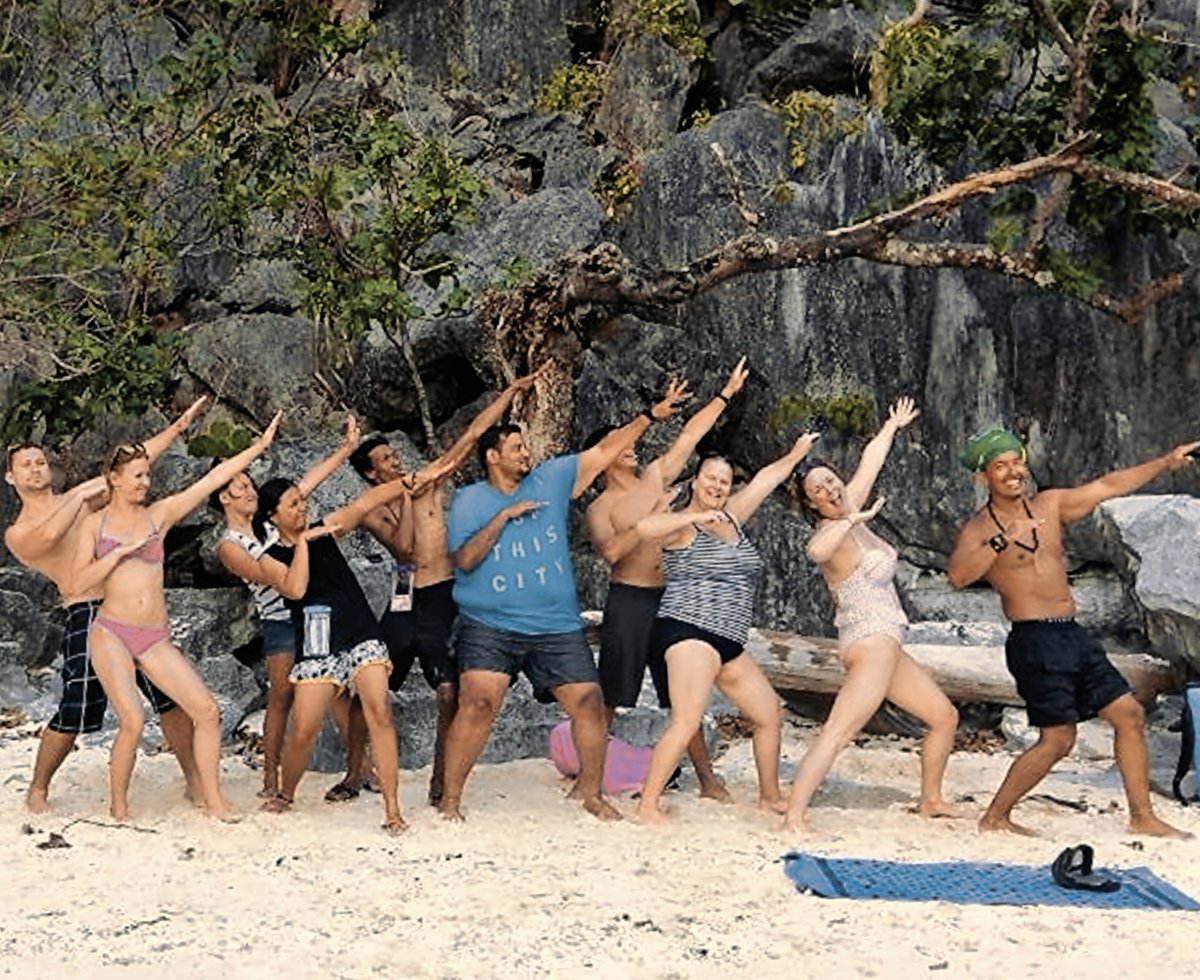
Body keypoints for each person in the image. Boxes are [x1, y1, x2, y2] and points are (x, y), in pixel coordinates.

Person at [439, 381, 689, 822]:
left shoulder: (551, 478)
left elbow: (607, 449)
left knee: (590, 701)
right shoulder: (471, 499)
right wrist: (502, 518)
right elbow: (465, 559)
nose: (524, 453)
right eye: (516, 447)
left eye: (525, 447)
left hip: (556, 624)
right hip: (489, 624)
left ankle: (591, 793)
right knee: (479, 701)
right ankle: (451, 800)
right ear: (492, 456)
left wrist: (651, 416)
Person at [947, 427, 1198, 838]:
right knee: (1058, 740)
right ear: (983, 477)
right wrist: (998, 543)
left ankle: (1142, 817)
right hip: (1034, 641)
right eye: (1000, 466)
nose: (1013, 471)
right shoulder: (979, 528)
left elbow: (1107, 486)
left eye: (1017, 461)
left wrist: (1165, 462)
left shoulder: (1050, 505)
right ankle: (995, 817)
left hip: (1072, 635)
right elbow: (958, 575)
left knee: (1129, 714)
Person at [70, 412, 283, 821]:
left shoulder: (159, 515)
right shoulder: (94, 525)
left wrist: (258, 448)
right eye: (136, 475)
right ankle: (118, 806)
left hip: (154, 636)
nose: (144, 482)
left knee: (206, 711)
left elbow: (209, 481)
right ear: (113, 478)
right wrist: (116, 554)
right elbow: (77, 584)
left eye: (147, 475)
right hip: (111, 631)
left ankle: (212, 801)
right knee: (132, 720)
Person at [5, 397, 207, 813]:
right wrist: (80, 498)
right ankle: (39, 786)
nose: (36, 469)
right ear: (10, 478)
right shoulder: (19, 531)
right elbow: (47, 538)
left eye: (40, 462)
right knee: (77, 705)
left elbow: (131, 466)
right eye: (26, 465)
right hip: (85, 610)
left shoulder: (81, 497)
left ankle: (195, 779)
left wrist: (178, 427)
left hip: (131, 607)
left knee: (166, 697)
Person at [347, 372, 537, 804]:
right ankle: (356, 771)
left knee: (449, 692)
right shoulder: (371, 508)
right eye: (386, 460)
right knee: (370, 685)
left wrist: (509, 394)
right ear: (370, 474)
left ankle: (441, 780)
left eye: (396, 455)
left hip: (439, 595)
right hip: (402, 601)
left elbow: (469, 438)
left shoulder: (426, 480)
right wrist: (407, 500)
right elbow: (405, 550)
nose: (396, 463)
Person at [783, 397, 962, 832]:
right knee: (840, 731)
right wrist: (850, 520)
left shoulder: (851, 509)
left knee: (943, 716)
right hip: (868, 644)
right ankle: (793, 817)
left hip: (888, 642)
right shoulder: (834, 530)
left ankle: (931, 800)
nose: (830, 491)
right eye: (818, 492)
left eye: (830, 481)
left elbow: (870, 463)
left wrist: (891, 427)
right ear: (811, 505)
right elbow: (815, 551)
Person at [584, 359, 751, 802]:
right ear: (602, 453)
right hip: (631, 600)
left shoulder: (654, 476)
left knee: (683, 699)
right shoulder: (600, 508)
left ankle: (708, 781)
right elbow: (612, 555)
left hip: (674, 601)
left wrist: (725, 394)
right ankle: (589, 784)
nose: (632, 446)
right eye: (621, 442)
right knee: (612, 696)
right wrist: (653, 519)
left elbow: (690, 437)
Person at [632, 431, 819, 824]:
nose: (718, 485)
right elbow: (644, 528)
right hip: (687, 629)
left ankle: (769, 796)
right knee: (687, 719)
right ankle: (647, 804)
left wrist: (796, 453)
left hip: (728, 640)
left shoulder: (733, 515)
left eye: (725, 480)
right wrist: (693, 515)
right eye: (711, 478)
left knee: (768, 713)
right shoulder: (683, 524)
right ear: (696, 480)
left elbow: (767, 479)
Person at [254, 461, 432, 834]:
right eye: (292, 505)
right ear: (273, 516)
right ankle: (287, 793)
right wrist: (303, 542)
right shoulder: (271, 557)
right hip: (318, 642)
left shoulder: (325, 529)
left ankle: (392, 809)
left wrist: (406, 483)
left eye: (303, 501)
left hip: (360, 631)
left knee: (379, 711)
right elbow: (297, 589)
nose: (302, 509)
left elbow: (365, 502)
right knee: (304, 729)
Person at [209, 415, 362, 799]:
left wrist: (345, 449)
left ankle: (359, 770)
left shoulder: (270, 523)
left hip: (310, 612)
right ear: (224, 497)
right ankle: (270, 780)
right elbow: (278, 581)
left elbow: (306, 485)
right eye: (241, 487)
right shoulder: (229, 545)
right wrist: (310, 538)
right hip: (281, 621)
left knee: (339, 692)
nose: (249, 491)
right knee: (281, 699)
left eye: (250, 485)